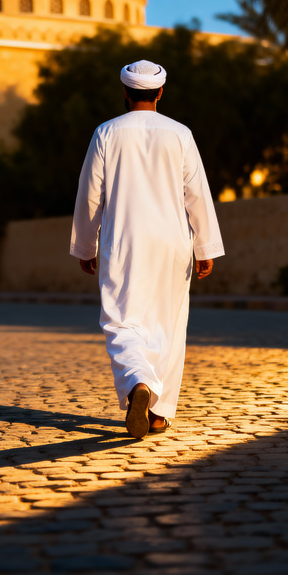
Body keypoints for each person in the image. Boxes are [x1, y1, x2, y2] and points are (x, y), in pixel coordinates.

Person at [71, 60, 224, 439]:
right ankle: (157, 413)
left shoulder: (106, 133)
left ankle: (138, 382)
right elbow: (197, 193)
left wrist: (86, 245)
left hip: (125, 242)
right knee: (168, 324)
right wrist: (204, 246)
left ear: (125, 92)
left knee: (121, 321)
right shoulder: (181, 134)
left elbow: (90, 196)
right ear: (160, 93)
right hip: (173, 242)